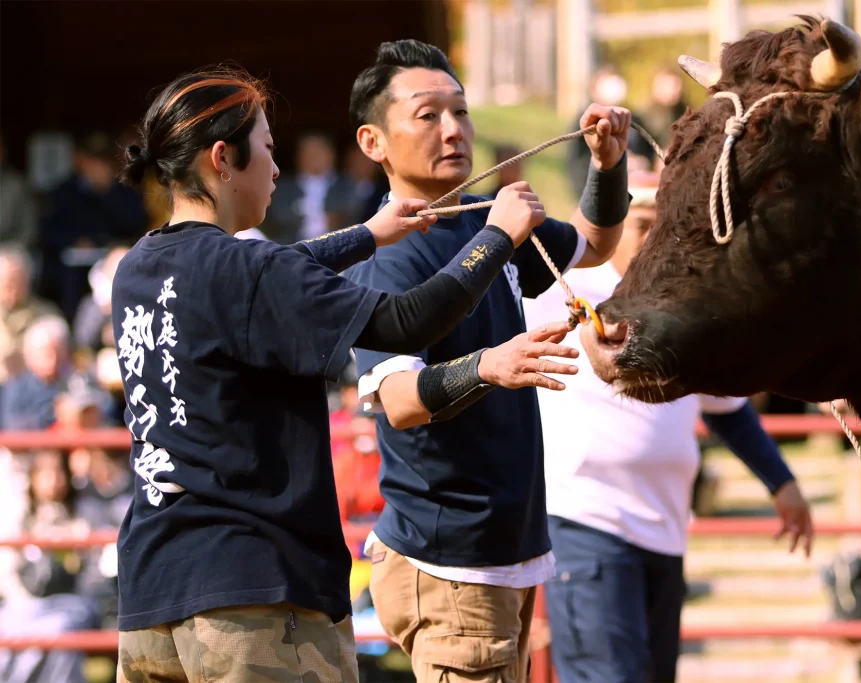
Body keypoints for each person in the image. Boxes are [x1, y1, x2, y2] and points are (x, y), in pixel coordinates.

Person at [109, 65, 553, 683]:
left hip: (151, 598)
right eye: (266, 148)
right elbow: (408, 322)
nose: (276, 167)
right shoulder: (246, 270)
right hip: (253, 599)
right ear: (222, 159)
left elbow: (272, 272)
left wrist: (367, 236)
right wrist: (498, 236)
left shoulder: (139, 265)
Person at [343, 39, 632, 683]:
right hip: (450, 564)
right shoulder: (389, 257)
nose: (453, 130)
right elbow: (398, 402)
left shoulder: (481, 218)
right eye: (427, 115)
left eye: (461, 112)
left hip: (499, 556)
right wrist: (488, 366)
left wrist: (606, 165)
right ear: (373, 143)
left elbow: (593, 243)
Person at [522, 169, 815, 683]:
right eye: (640, 224)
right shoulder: (563, 290)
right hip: (587, 519)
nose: (653, 240)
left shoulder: (682, 309)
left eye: (664, 228)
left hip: (665, 528)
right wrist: (602, 164)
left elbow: (728, 411)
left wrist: (782, 483)